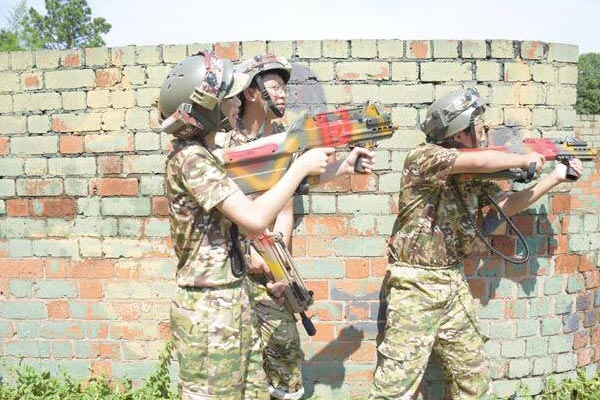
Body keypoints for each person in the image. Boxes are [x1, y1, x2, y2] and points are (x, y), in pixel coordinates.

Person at [369, 87, 583, 399]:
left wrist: (555, 176)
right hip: (415, 284)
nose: (484, 131)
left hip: (453, 281)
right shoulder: (424, 156)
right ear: (459, 131)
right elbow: (484, 160)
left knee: (473, 381)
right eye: (479, 125)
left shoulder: (473, 171)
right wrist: (523, 158)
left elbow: (504, 206)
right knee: (395, 387)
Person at [160, 51, 337, 400]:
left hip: (232, 295)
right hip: (208, 307)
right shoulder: (191, 159)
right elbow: (255, 218)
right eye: (229, 97)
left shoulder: (206, 155)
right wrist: (300, 167)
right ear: (209, 108)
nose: (236, 103)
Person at [218, 54, 375, 400]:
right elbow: (225, 214)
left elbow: (287, 204)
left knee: (286, 360)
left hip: (270, 273)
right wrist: (252, 257)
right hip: (232, 274)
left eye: (284, 88)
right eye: (274, 87)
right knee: (234, 368)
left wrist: (344, 166)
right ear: (251, 93)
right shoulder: (224, 144)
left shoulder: (283, 138)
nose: (283, 94)